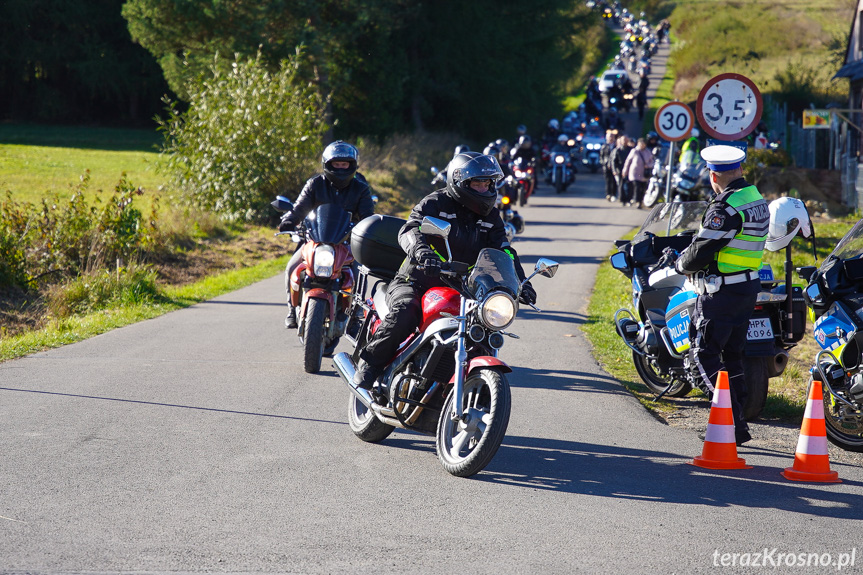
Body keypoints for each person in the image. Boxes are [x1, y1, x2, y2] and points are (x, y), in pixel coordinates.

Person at [352, 152, 536, 391]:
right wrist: (421, 252)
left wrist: (521, 282)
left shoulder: (491, 216)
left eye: (487, 183)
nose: (483, 188)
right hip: (417, 280)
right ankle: (370, 365)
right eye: (477, 183)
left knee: (483, 329)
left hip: (464, 289)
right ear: (460, 183)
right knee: (406, 311)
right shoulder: (436, 203)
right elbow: (410, 229)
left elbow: (504, 250)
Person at [674, 145, 769, 446]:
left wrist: (679, 263)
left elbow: (703, 248)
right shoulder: (756, 199)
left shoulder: (724, 207)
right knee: (733, 358)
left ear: (713, 175)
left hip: (721, 291)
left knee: (702, 358)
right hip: (746, 287)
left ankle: (727, 422)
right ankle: (738, 425)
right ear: (740, 169)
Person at [278, 140, 375, 329]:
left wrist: (368, 229)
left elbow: (367, 216)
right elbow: (299, 208)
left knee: (357, 272)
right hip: (315, 239)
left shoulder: (360, 188)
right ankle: (291, 309)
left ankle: (355, 314)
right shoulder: (315, 184)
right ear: (327, 164)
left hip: (346, 242)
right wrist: (289, 220)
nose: (340, 168)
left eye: (344, 164)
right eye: (336, 164)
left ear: (352, 165)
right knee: (292, 267)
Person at [622, 137, 653, 208]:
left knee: (643, 188)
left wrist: (648, 165)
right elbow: (628, 161)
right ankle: (637, 201)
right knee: (637, 187)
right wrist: (625, 170)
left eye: (643, 144)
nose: (642, 145)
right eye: (640, 144)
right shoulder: (634, 151)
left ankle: (640, 200)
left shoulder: (648, 152)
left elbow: (652, 162)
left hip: (644, 174)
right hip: (635, 173)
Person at [610, 135, 633, 203]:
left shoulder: (631, 149)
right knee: (621, 185)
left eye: (626, 140)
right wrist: (614, 170)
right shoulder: (617, 150)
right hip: (620, 170)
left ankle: (629, 199)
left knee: (630, 185)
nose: (625, 141)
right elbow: (613, 161)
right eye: (623, 140)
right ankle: (622, 199)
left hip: (629, 170)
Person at [599, 130, 618, 201]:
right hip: (606, 166)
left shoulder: (616, 146)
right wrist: (603, 163)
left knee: (614, 181)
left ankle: (614, 194)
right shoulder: (604, 146)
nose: (610, 138)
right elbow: (601, 156)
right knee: (608, 181)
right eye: (609, 137)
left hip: (615, 166)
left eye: (612, 137)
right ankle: (608, 194)